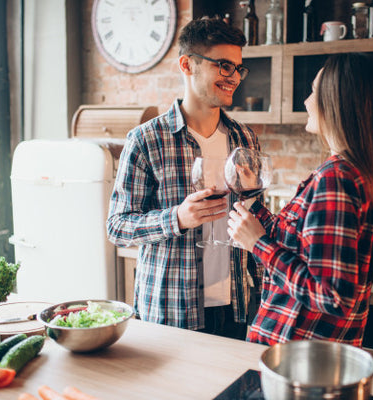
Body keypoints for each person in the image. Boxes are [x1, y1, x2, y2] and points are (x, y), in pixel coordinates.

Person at [106, 18, 262, 339]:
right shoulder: (146, 140)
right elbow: (117, 227)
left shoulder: (245, 139)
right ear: (187, 65)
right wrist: (176, 217)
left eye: (237, 68)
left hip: (234, 304)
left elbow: (252, 219)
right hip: (172, 308)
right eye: (223, 66)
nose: (233, 77)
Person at [227, 53, 373, 347]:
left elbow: (330, 295)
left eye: (314, 92)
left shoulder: (336, 179)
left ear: (337, 102)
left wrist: (258, 245)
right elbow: (298, 244)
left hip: (294, 358)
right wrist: (252, 197)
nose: (306, 101)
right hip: (307, 357)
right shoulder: (355, 171)